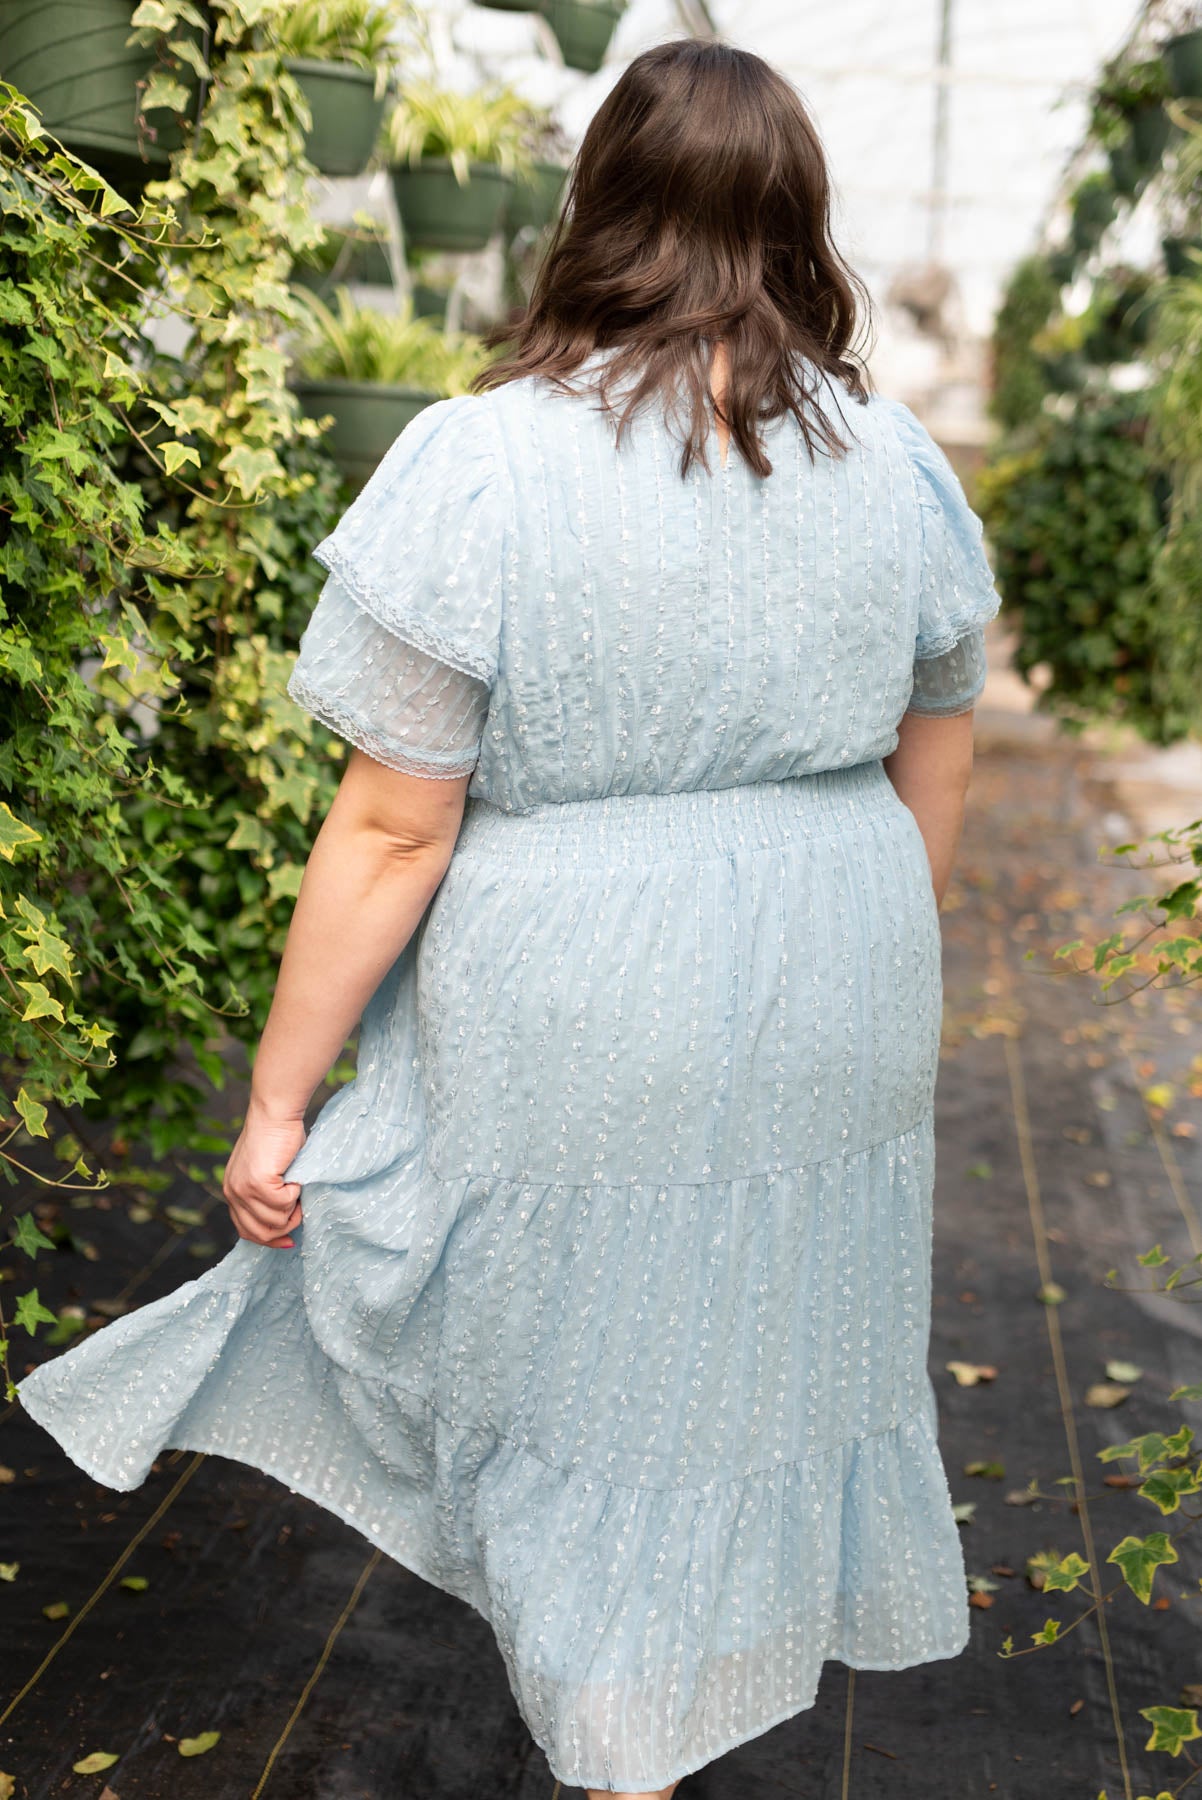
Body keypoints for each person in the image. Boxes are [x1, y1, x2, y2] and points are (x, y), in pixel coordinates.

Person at [16, 36, 1001, 1800]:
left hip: (590, 980)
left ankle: (625, 1741)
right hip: (838, 959)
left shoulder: (486, 463)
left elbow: (394, 825)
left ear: (598, 206)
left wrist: (278, 1099)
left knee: (588, 1364)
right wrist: (858, 953)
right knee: (748, 1338)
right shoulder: (898, 463)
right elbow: (939, 747)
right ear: (797, 220)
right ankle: (682, 1702)